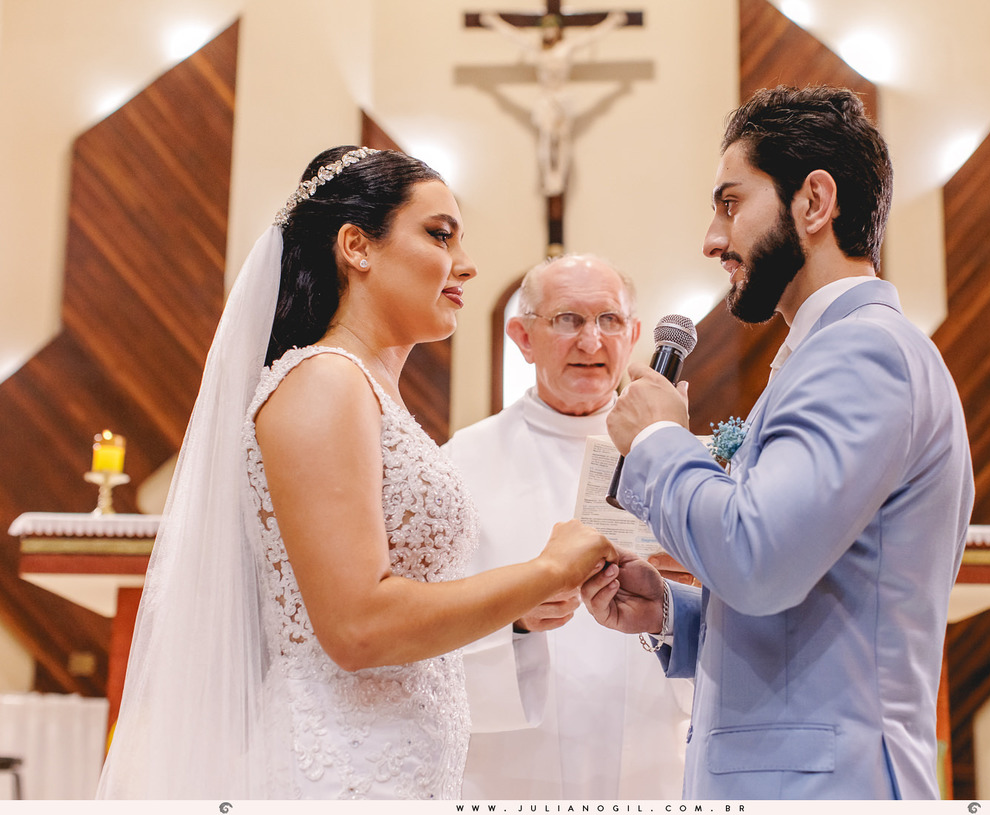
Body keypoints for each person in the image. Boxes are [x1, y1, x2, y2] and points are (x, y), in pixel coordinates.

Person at [96, 146, 616, 800]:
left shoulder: (368, 391)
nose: (467, 263)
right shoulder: (324, 382)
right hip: (337, 767)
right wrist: (543, 571)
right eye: (438, 234)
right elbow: (356, 625)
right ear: (356, 246)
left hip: (392, 767)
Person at [581, 86, 975, 800]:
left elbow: (759, 558)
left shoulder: (863, 353)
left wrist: (660, 440)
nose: (710, 238)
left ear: (814, 203)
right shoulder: (833, 352)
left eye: (730, 203)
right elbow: (817, 609)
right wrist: (675, 612)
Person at [442, 254, 690, 798]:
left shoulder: (676, 458)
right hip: (511, 770)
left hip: (649, 760)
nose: (591, 341)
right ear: (523, 337)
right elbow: (426, 627)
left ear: (635, 336)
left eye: (609, 320)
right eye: (567, 320)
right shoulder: (462, 462)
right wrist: (516, 623)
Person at [479, 10, 628, 196]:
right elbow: (514, 37)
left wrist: (612, 22)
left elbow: (591, 37)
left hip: (562, 99)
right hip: (546, 100)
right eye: (545, 28)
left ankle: (560, 177)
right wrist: (494, 22)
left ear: (558, 30)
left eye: (551, 27)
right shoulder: (537, 48)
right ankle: (549, 177)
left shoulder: (567, 47)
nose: (548, 32)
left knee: (563, 138)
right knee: (547, 137)